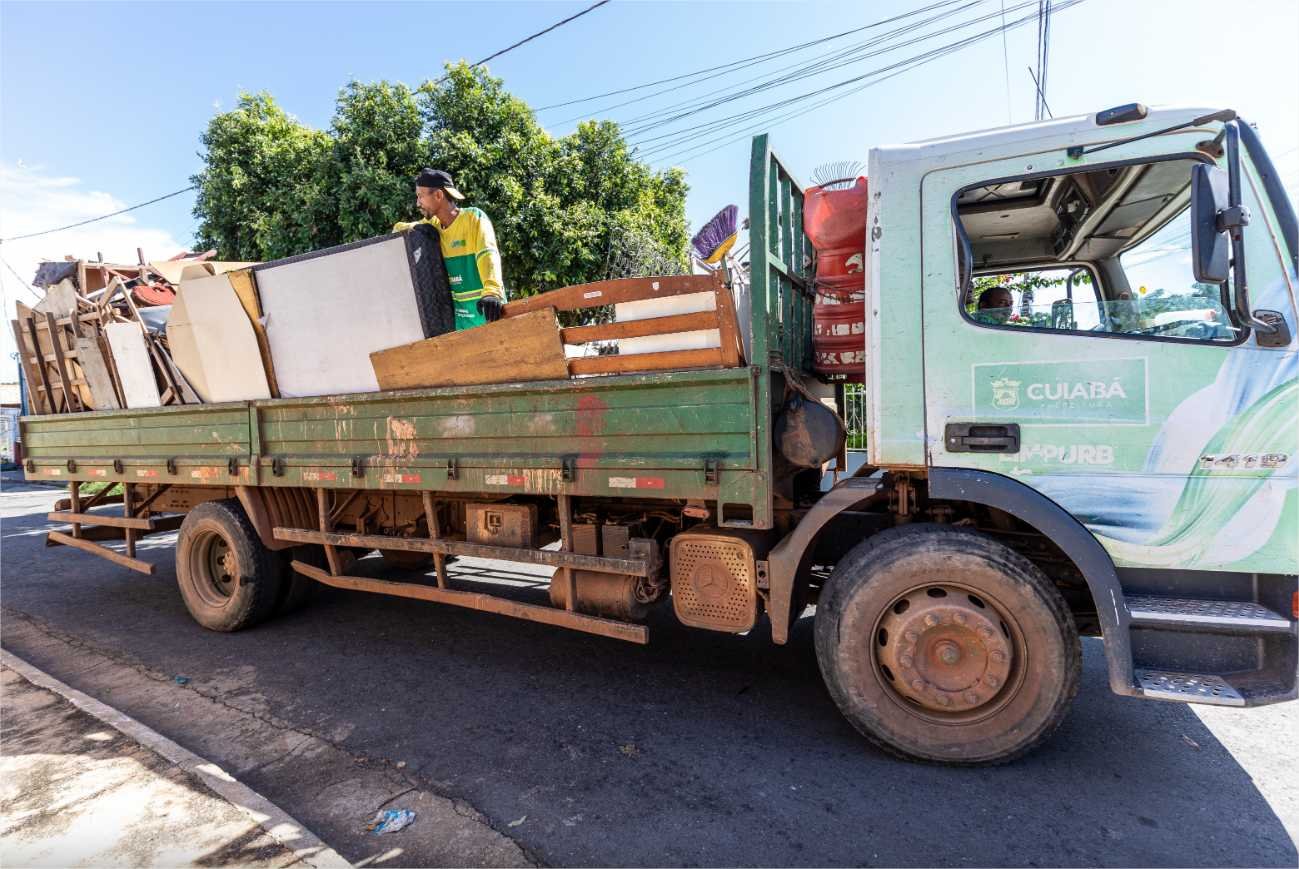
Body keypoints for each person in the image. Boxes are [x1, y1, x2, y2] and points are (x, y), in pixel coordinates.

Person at [394, 169, 505, 329]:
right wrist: (413, 229)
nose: (418, 203)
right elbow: (398, 228)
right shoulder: (431, 227)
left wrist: (492, 292)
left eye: (420, 196)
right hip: (461, 325)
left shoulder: (473, 218)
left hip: (489, 313)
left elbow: (487, 254)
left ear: (438, 195)